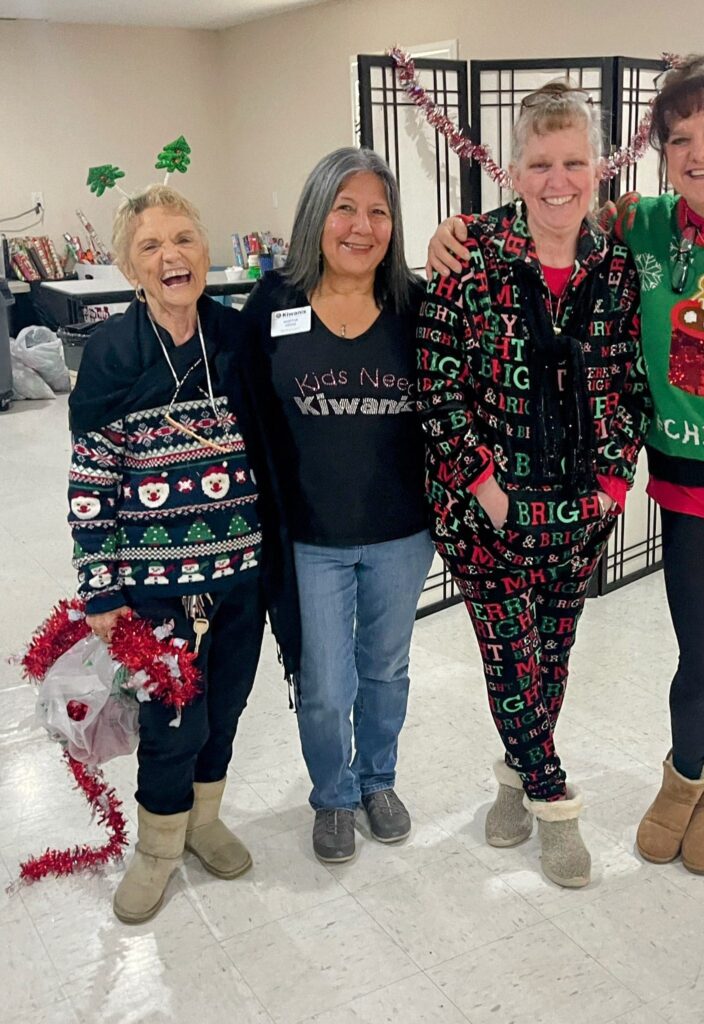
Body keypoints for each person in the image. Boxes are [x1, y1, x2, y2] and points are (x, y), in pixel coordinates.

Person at [429, 56, 704, 876]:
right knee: (703, 659)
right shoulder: (642, 228)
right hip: (682, 494)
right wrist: (451, 232)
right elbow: (546, 225)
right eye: (679, 138)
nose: (699, 150)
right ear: (660, 153)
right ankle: (624, 788)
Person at [418, 82, 650, 888]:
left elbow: (631, 381)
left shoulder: (615, 264)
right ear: (513, 170)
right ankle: (554, 803)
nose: (559, 180)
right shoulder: (469, 253)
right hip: (484, 512)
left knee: (550, 655)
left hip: (581, 510)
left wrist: (613, 487)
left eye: (574, 162)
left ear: (598, 170)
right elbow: (438, 389)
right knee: (508, 657)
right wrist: (488, 493)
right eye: (541, 163)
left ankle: (514, 776)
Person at [68, 185, 282, 923]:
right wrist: (99, 588)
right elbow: (92, 478)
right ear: (131, 265)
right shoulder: (110, 352)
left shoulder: (233, 336)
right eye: (152, 245)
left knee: (224, 709)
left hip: (241, 573)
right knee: (170, 722)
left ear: (204, 250)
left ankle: (203, 822)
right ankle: (157, 847)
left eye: (185, 239)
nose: (172, 256)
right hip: (153, 585)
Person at [240, 148, 433, 865]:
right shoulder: (271, 305)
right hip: (309, 537)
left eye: (378, 211)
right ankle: (333, 794)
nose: (361, 226)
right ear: (315, 216)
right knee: (322, 681)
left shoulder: (416, 305)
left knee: (384, 668)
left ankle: (378, 781)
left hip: (400, 533)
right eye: (344, 208)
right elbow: (246, 411)